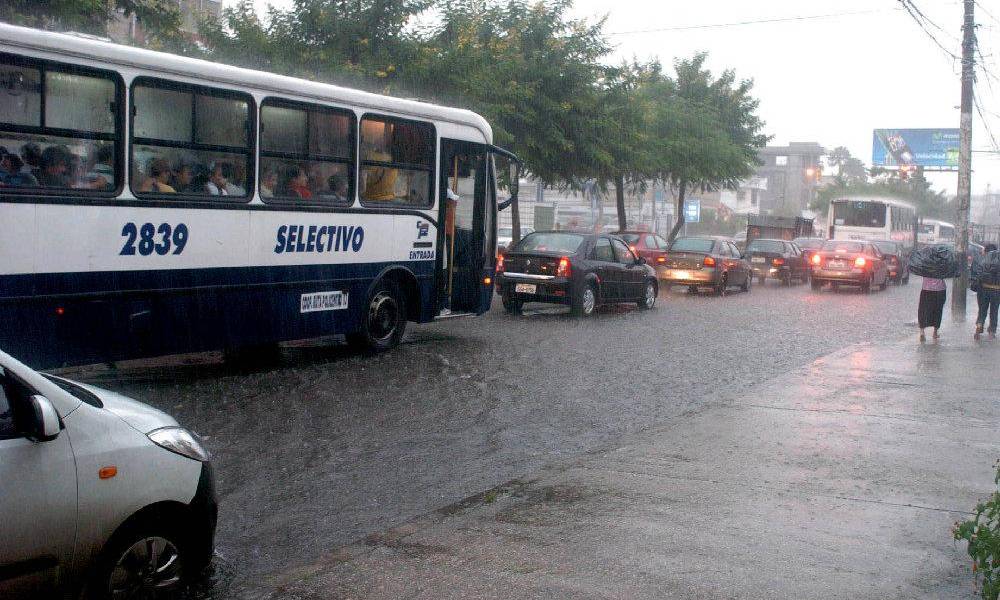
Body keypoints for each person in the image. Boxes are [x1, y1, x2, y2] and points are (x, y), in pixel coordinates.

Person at [975, 243, 1000, 340]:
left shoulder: (983, 261)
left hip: (984, 290)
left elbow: (978, 276)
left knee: (982, 310)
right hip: (997, 291)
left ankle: (979, 327)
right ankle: (992, 332)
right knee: (994, 311)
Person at [918, 275, 947, 342]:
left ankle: (922, 332)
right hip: (940, 289)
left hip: (926, 288)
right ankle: (935, 332)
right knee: (938, 310)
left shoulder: (926, 264)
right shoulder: (942, 264)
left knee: (923, 310)